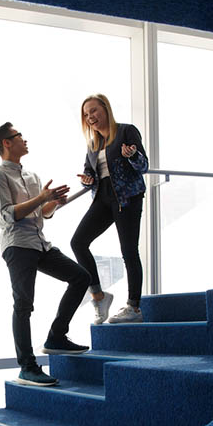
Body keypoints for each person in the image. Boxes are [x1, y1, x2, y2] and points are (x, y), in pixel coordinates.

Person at [0, 122, 91, 387]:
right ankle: (27, 367)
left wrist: (52, 203)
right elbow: (9, 214)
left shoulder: (32, 176)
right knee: (23, 305)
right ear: (7, 143)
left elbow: (41, 213)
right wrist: (42, 198)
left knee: (80, 277)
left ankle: (56, 337)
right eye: (19, 136)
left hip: (40, 243)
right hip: (18, 245)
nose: (24, 139)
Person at [71, 94, 149, 324]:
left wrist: (133, 155)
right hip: (103, 198)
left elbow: (143, 166)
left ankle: (134, 307)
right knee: (78, 242)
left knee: (128, 251)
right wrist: (86, 179)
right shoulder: (93, 143)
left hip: (127, 198)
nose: (91, 117)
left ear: (105, 109)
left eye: (93, 111)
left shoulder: (126, 131)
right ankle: (99, 295)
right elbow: (90, 173)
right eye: (86, 115)